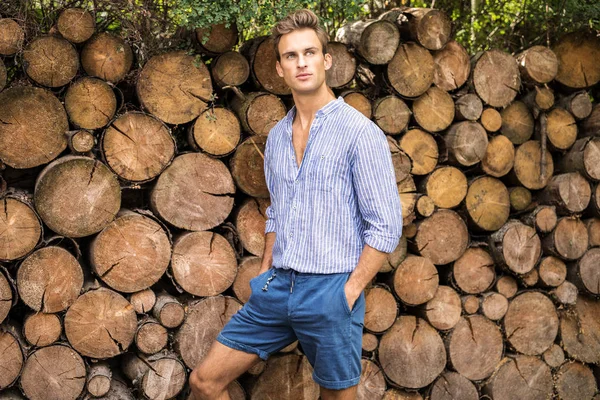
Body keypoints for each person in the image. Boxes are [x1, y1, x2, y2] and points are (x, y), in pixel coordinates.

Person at [189, 9, 402, 400]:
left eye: (309, 52)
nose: (302, 62)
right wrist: (265, 271)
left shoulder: (360, 133)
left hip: (332, 289)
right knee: (204, 382)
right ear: (280, 68)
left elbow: (386, 225)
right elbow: (278, 211)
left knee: (336, 396)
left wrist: (348, 293)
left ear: (326, 59)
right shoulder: (276, 138)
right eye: (291, 56)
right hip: (276, 287)